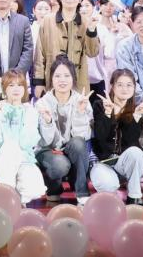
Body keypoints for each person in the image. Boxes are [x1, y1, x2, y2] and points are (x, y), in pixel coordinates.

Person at [35, 57, 92, 205]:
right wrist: (48, 122)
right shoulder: (42, 103)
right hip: (48, 150)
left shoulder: (82, 101)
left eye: (67, 75)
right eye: (57, 76)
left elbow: (82, 138)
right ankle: (53, 188)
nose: (62, 80)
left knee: (78, 143)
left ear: (73, 78)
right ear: (51, 79)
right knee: (60, 165)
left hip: (70, 148)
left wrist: (80, 112)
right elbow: (44, 141)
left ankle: (81, 191)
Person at [0, 68, 47, 205]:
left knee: (34, 188)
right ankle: (8, 202)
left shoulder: (30, 110)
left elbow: (27, 143)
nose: (16, 89)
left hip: (25, 159)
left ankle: (17, 199)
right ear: (4, 88)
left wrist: (28, 116)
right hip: (1, 159)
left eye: (20, 85)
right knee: (8, 163)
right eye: (11, 85)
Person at [90, 68, 143, 203]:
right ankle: (112, 188)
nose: (124, 89)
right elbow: (100, 137)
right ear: (113, 86)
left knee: (136, 152)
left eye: (129, 85)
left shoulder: (136, 109)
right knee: (109, 185)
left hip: (123, 163)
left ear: (134, 88)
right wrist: (108, 114)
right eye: (120, 84)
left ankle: (134, 196)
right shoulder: (100, 105)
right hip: (103, 162)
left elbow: (131, 142)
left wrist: (136, 117)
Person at [37, 0, 100, 95]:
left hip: (78, 82)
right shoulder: (48, 20)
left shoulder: (86, 22)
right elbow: (39, 53)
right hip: (52, 81)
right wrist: (39, 82)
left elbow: (92, 52)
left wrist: (91, 30)